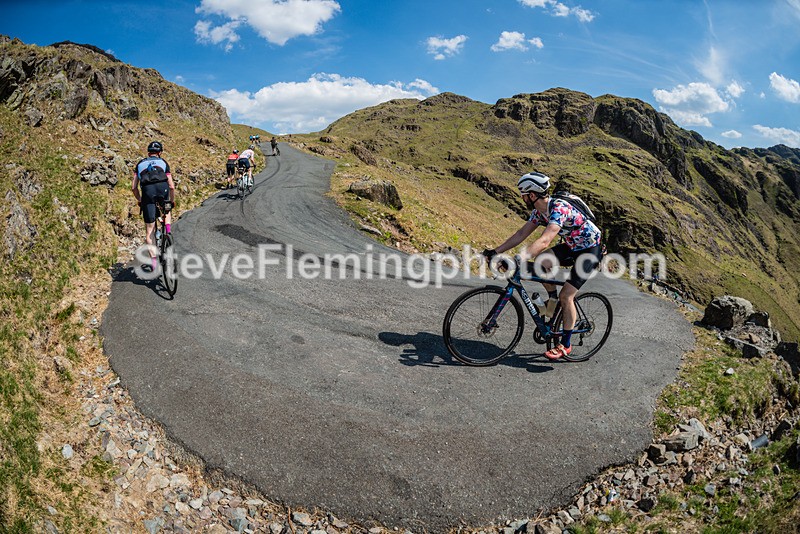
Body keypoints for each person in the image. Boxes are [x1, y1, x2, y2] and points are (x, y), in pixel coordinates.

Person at [482, 171, 603, 360]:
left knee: (567, 295)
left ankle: (566, 344)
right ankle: (553, 302)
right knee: (541, 262)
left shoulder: (559, 209)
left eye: (523, 194)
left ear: (532, 195)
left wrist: (519, 259)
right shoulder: (539, 212)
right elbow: (522, 233)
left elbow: (545, 240)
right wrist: (496, 251)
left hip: (589, 250)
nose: (522, 198)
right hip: (572, 245)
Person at [132, 141, 176, 271]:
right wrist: (171, 202)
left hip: (147, 193)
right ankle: (168, 232)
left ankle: (155, 262)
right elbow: (172, 186)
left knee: (149, 230)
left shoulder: (140, 164)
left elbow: (134, 187)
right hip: (163, 190)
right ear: (160, 152)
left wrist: (140, 200)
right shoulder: (163, 163)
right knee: (166, 210)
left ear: (148, 152)